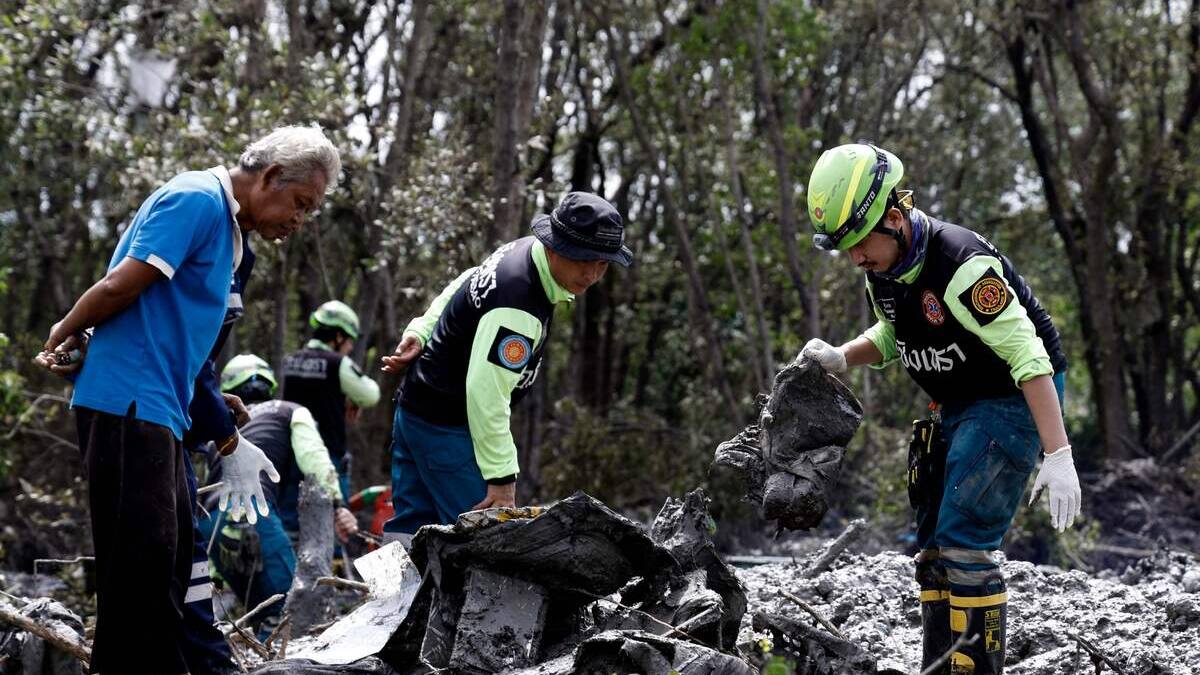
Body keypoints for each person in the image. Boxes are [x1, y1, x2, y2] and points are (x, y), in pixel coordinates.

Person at [36, 125, 340, 675]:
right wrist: (68, 328)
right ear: (270, 176)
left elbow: (183, 344)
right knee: (140, 582)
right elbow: (123, 284)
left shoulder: (232, 240)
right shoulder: (197, 199)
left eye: (310, 211)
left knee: (170, 577)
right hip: (129, 405)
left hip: (162, 412)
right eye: (299, 204)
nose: (300, 221)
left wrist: (218, 412)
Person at [800, 143, 1082, 675]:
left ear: (893, 215)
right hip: (955, 401)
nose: (856, 258)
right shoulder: (883, 268)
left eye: (860, 243)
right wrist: (842, 357)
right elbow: (895, 332)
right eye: (846, 248)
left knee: (964, 542)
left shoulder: (962, 265)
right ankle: (939, 667)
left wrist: (1058, 453)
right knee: (931, 550)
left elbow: (1029, 356)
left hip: (1012, 397)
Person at [379, 192, 633, 543]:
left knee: (410, 533)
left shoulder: (524, 250)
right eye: (583, 259)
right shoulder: (519, 308)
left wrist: (422, 329)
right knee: (481, 548)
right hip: (449, 432)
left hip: (416, 410)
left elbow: (467, 278)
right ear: (556, 246)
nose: (591, 273)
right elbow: (485, 394)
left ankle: (394, 599)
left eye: (603, 264)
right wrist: (501, 479)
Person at [198, 355, 358, 636]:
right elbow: (315, 459)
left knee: (258, 611)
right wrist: (338, 504)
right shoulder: (290, 410)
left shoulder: (219, 432)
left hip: (210, 523)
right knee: (290, 610)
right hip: (253, 515)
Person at [281, 300, 380, 501]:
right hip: (327, 456)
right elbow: (371, 395)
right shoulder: (338, 363)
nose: (351, 346)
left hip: (292, 456)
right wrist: (354, 399)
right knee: (333, 521)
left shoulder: (291, 360)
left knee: (291, 520)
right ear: (338, 336)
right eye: (349, 340)